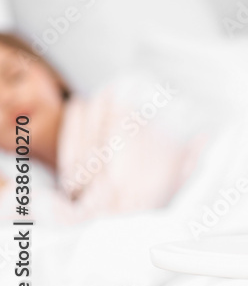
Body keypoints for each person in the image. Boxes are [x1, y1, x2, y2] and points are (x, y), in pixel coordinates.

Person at [0, 33, 201, 222]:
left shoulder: (123, 104)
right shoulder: (59, 188)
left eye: (14, 76)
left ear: (53, 76)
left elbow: (125, 223)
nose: (6, 99)